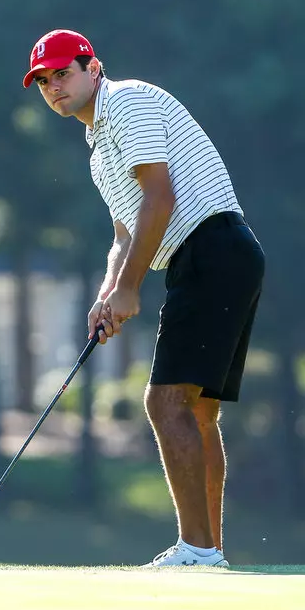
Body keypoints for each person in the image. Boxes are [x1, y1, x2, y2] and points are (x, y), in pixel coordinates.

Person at [23, 29, 265, 568]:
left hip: (211, 248)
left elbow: (160, 199)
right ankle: (209, 553)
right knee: (198, 413)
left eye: (63, 73)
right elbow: (125, 235)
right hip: (218, 255)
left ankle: (197, 550)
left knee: (165, 404)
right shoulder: (97, 152)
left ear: (94, 68)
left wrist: (131, 288)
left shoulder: (126, 102)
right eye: (43, 82)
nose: (54, 88)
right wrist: (109, 293)